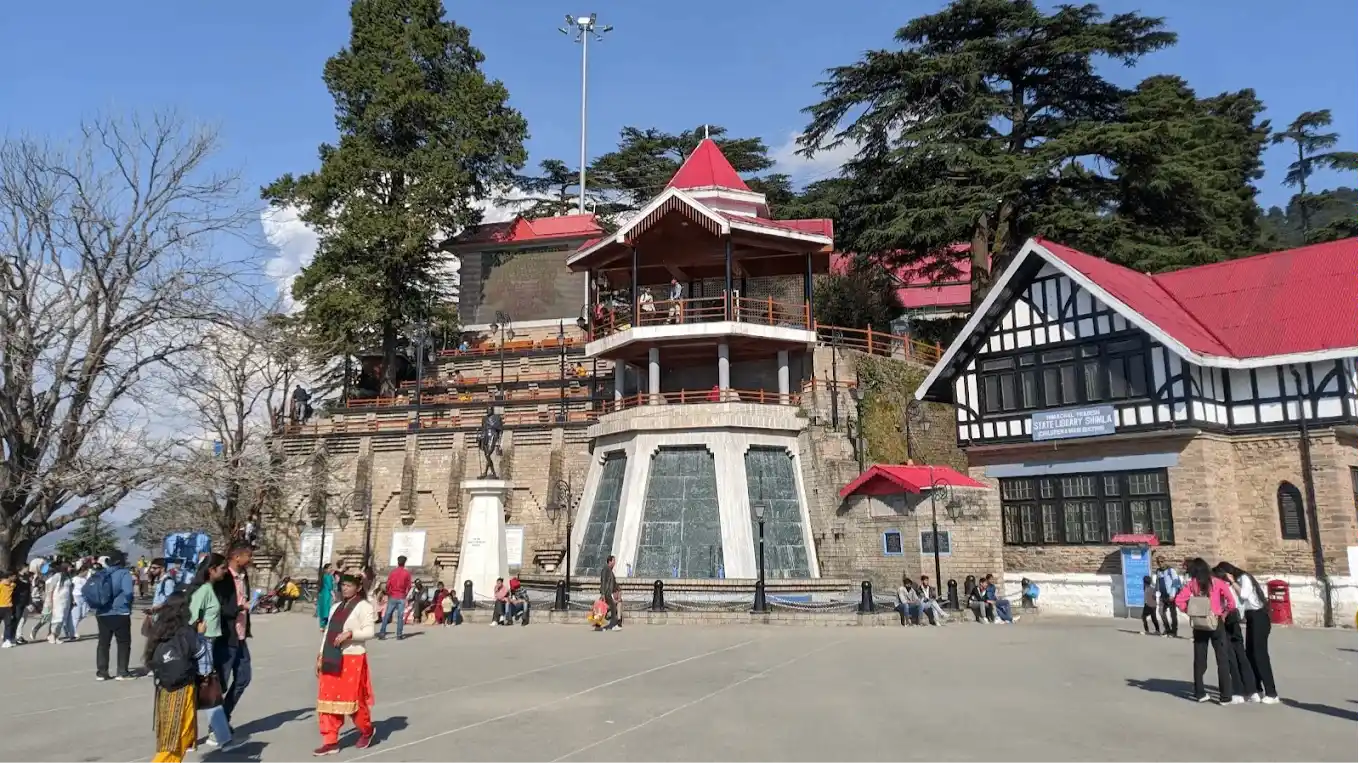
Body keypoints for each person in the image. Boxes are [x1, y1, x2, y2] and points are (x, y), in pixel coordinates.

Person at [145, 591, 213, 763]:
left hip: (163, 688)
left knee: (168, 736)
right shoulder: (186, 632)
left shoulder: (159, 629)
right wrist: (201, 635)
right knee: (180, 736)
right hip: (183, 689)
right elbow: (204, 660)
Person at [314, 574, 377, 756]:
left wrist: (350, 634)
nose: (345, 589)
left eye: (349, 586)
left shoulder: (364, 606)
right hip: (331, 656)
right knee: (327, 700)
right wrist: (320, 654)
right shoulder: (336, 607)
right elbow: (328, 632)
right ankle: (330, 741)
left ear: (358, 588)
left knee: (352, 700)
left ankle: (366, 730)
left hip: (352, 658)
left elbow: (369, 632)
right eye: (343, 585)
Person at [1214, 561, 1280, 704]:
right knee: (1250, 653)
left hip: (1259, 617)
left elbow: (1244, 595)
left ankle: (1272, 692)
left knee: (1260, 655)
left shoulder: (1244, 577)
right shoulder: (1237, 581)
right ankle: (1257, 688)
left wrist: (1232, 582)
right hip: (1251, 618)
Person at [189, 554, 236, 750]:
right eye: (222, 568)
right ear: (212, 569)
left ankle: (189, 739)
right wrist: (198, 632)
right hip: (204, 643)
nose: (225, 572)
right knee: (210, 691)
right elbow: (191, 615)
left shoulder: (210, 589)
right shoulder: (204, 590)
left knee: (200, 689)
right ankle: (222, 737)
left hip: (209, 642)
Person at [1175, 558, 1237, 705]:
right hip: (1215, 622)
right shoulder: (1217, 582)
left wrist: (1190, 611)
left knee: (1199, 659)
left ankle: (1199, 693)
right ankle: (1225, 696)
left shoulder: (1192, 584)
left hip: (1199, 624)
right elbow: (1231, 602)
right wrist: (1223, 613)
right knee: (1222, 659)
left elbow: (1179, 600)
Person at [213, 541, 254, 723]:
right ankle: (216, 724)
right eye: (248, 555)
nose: (250, 559)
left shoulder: (243, 576)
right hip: (225, 636)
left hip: (241, 635)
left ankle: (224, 715)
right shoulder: (223, 578)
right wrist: (239, 608)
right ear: (237, 557)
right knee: (220, 682)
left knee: (244, 678)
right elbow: (217, 608)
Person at [1213, 566, 1259, 704]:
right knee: (1241, 655)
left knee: (1230, 656)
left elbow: (1226, 604)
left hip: (1226, 617)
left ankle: (1238, 691)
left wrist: (1222, 615)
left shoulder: (1220, 586)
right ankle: (1252, 691)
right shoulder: (1234, 584)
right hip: (1236, 617)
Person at [90, 551, 136, 680]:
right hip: (120, 612)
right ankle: (122, 671)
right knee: (123, 642)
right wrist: (128, 604)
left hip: (102, 613)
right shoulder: (124, 573)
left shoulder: (101, 573)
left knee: (104, 642)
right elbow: (128, 592)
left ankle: (102, 672)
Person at [377, 556, 412, 640]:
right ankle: (399, 635)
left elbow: (388, 585)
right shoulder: (407, 573)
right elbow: (409, 586)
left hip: (393, 595)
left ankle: (382, 633)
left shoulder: (393, 572)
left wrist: (389, 593)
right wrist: (405, 593)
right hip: (401, 596)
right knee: (400, 616)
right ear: (405, 562)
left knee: (387, 615)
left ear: (397, 562)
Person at [1155, 557, 1182, 638]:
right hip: (1163, 596)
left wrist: (1173, 594)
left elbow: (1175, 582)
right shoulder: (1158, 571)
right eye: (1159, 562)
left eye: (1162, 561)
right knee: (1161, 611)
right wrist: (1155, 592)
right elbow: (1158, 582)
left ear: (1165, 561)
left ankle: (1174, 631)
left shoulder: (1171, 570)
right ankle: (1167, 629)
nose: (1160, 563)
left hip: (1171, 595)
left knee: (1173, 613)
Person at [599, 555, 622, 631]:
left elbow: (614, 583)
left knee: (608, 608)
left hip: (608, 593)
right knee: (611, 607)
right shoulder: (605, 569)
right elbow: (603, 581)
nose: (615, 562)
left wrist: (618, 590)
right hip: (606, 593)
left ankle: (604, 625)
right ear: (610, 561)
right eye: (614, 561)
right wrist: (602, 594)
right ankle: (613, 625)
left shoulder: (610, 571)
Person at [317, 564, 336, 631]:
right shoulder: (328, 577)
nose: (331, 569)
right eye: (330, 568)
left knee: (322, 609)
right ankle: (325, 625)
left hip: (322, 593)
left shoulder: (323, 576)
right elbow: (330, 587)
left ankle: (322, 626)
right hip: (327, 594)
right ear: (326, 569)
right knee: (327, 609)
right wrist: (333, 594)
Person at [0, 569, 16, 647]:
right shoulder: (1, 585)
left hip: (8, 607)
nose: (15, 578)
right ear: (9, 577)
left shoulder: (12, 585)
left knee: (8, 624)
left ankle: (7, 640)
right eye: (14, 576)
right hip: (0, 606)